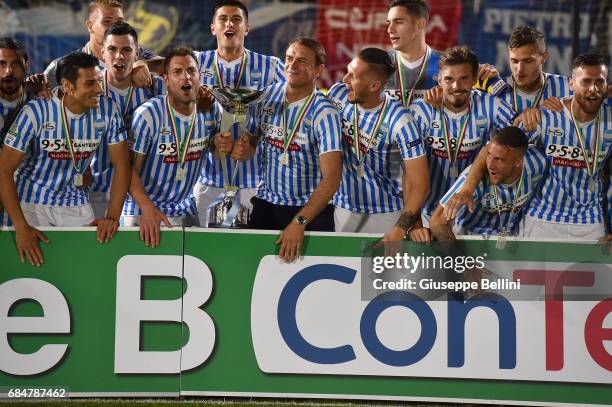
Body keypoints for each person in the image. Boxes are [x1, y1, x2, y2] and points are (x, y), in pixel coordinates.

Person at [450, 54, 612, 240]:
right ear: (571, 84)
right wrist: (468, 188)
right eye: (585, 82)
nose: (593, 89)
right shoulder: (547, 116)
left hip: (590, 223)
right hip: (542, 220)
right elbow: (495, 148)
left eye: (599, 82)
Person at [0, 51, 130, 266]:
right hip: (31, 205)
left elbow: (123, 165)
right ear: (68, 86)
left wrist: (112, 218)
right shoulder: (37, 112)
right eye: (90, 84)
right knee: (29, 273)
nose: (99, 89)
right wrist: (21, 228)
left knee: (85, 270)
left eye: (98, 81)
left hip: (76, 203)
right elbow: (4, 171)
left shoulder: (108, 110)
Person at [223, 38, 342, 262]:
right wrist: (241, 149)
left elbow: (332, 179)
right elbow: (250, 146)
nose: (292, 65)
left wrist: (299, 223)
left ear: (319, 69)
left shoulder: (325, 113)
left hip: (310, 213)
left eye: (302, 60)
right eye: (289, 58)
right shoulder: (267, 96)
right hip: (266, 206)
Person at [193, 0, 285, 227]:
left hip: (256, 182)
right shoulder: (194, 63)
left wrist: (256, 140)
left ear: (247, 27)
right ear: (213, 27)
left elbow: (292, 109)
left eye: (236, 19)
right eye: (222, 19)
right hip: (207, 180)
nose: (229, 24)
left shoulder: (271, 66)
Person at [122, 46, 220, 247]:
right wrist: (147, 208)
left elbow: (216, 153)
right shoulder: (148, 116)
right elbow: (129, 170)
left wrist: (222, 147)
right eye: (177, 72)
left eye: (191, 71)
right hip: (143, 210)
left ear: (200, 76)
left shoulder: (211, 110)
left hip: (184, 210)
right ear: (166, 80)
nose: (186, 77)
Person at [327, 48, 429, 239]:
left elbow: (419, 184)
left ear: (374, 86)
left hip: (387, 214)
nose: (345, 80)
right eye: (348, 71)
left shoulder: (401, 121)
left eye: (353, 76)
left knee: (385, 269)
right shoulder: (337, 95)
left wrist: (400, 228)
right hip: (344, 207)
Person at [408, 46, 515, 226]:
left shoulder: (490, 105)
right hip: (426, 212)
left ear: (474, 79)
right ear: (439, 80)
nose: (456, 86)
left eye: (464, 78)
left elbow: (521, 135)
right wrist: (415, 221)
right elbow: (407, 169)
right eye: (449, 79)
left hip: (470, 212)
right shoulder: (421, 110)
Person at [411, 126, 546, 241]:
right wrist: (462, 260)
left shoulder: (537, 163)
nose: (490, 165)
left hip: (508, 240)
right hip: (470, 241)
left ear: (518, 161)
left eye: (499, 159)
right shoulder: (473, 180)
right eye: (489, 155)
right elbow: (437, 221)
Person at [89, 22, 165, 219]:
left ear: (137, 53)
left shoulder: (155, 87)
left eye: (126, 50)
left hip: (141, 196)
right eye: (112, 49)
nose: (119, 56)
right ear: (102, 53)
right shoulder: (89, 89)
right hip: (96, 194)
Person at [43, 0, 159, 89]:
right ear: (90, 26)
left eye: (119, 22)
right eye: (107, 21)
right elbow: (41, 95)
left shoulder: (135, 54)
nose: (114, 27)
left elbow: (169, 65)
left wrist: (145, 63)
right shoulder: (63, 66)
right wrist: (35, 85)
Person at [475, 25, 571, 129]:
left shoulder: (568, 88)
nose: (520, 69)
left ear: (544, 57)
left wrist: (563, 111)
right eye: (514, 61)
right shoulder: (494, 90)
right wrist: (473, 76)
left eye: (527, 61)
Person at [384, 0, 441, 107]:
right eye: (389, 23)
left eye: (398, 22)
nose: (390, 29)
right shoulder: (379, 65)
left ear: (420, 24)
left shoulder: (447, 65)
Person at [0, 38, 32, 226]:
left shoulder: (42, 103)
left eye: (15, 64)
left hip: (33, 207)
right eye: (1, 64)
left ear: (26, 65)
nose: (8, 72)